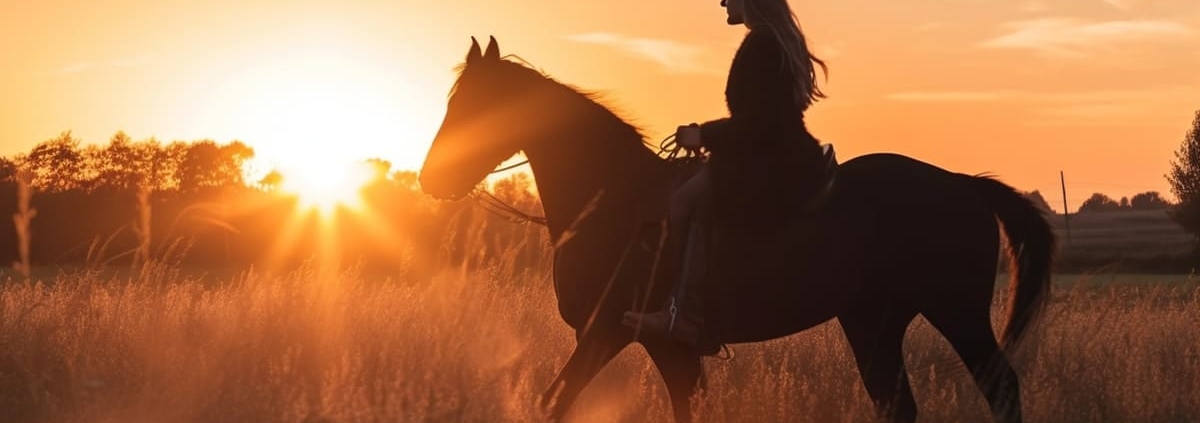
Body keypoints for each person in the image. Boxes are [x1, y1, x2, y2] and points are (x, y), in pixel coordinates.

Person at [621, 0, 829, 353]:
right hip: (782, 155)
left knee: (684, 201)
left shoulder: (762, 43)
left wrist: (702, 135)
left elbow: (762, 122)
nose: (722, 1)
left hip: (771, 161)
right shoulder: (772, 40)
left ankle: (683, 314)